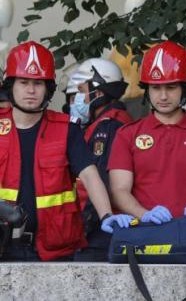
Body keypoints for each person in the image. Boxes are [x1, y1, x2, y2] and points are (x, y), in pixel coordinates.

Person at [0, 41, 116, 261]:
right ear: (10, 86)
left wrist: (106, 215)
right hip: (3, 249)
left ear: (48, 88)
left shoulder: (66, 129)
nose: (31, 90)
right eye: (24, 82)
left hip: (54, 252)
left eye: (38, 83)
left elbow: (90, 176)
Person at [108, 41, 186, 228]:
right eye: (156, 88)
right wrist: (145, 215)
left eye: (171, 87)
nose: (163, 96)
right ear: (147, 90)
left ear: (185, 88)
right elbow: (119, 190)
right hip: (143, 237)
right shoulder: (127, 135)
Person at [68, 58, 133, 260]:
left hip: (97, 235)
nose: (75, 101)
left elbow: (99, 181)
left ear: (98, 91)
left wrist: (82, 229)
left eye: (80, 91)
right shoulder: (112, 124)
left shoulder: (107, 128)